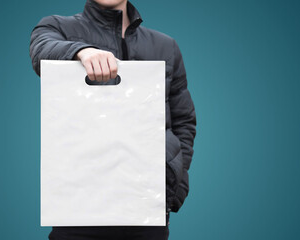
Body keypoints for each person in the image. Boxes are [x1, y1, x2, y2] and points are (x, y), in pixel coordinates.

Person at [29, 0, 197, 239]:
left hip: (147, 210)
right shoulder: (57, 28)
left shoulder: (165, 46)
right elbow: (41, 50)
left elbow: (183, 122)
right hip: (77, 210)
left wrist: (175, 186)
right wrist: (81, 51)